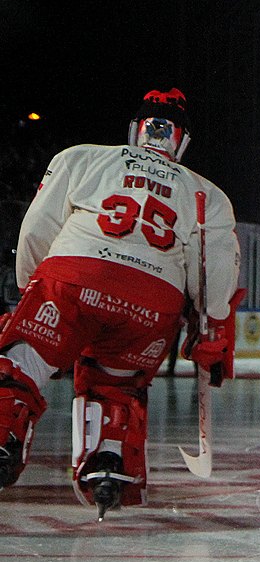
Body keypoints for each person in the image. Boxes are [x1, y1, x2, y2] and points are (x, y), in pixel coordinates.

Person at [0, 89, 241, 517]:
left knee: (21, 362)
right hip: (151, 303)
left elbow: (37, 228)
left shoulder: (82, 157)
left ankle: (3, 431)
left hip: (74, 278)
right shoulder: (207, 193)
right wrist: (212, 323)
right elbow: (214, 272)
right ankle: (109, 465)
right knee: (116, 386)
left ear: (135, 130)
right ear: (182, 142)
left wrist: (29, 286)